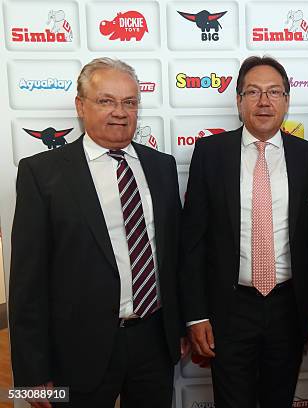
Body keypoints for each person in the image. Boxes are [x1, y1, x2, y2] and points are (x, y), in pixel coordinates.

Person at [9, 58, 183, 407]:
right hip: (78, 350)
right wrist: (31, 374)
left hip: (153, 341)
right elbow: (28, 283)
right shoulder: (42, 174)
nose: (120, 112)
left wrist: (178, 327)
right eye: (106, 101)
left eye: (129, 102)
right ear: (80, 106)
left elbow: (174, 257)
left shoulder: (161, 167)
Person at [180, 56, 308, 408]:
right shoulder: (210, 153)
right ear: (238, 100)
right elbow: (193, 241)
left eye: (274, 92)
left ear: (287, 101)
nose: (264, 101)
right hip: (229, 309)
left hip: (288, 307)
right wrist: (196, 314)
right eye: (254, 92)